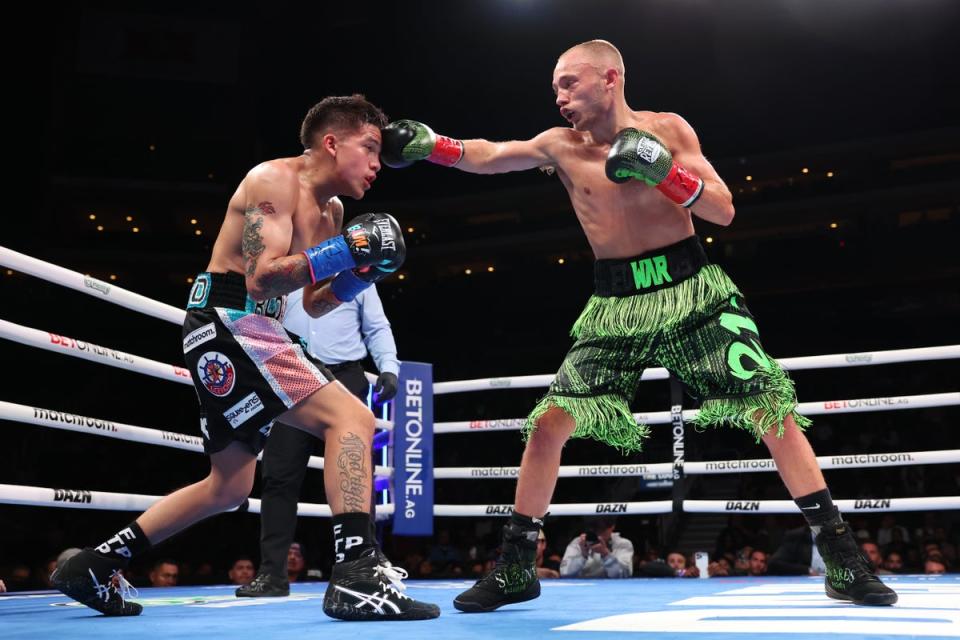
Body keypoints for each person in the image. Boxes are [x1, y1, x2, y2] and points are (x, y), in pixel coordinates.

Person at [381, 39, 897, 610]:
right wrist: (432, 145)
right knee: (548, 423)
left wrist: (664, 173)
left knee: (770, 406)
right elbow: (491, 154)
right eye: (555, 86)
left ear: (609, 79)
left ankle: (844, 561)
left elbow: (722, 209)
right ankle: (514, 569)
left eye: (569, 83)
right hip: (614, 304)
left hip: (692, 291)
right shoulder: (559, 146)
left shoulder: (668, 130)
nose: (559, 96)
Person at [52, 95, 439, 621]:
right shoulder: (273, 180)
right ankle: (356, 575)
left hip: (248, 326)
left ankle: (95, 565)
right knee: (353, 416)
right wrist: (347, 251)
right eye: (369, 147)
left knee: (229, 486)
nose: (378, 163)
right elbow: (261, 276)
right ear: (331, 142)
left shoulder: (333, 211)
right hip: (230, 318)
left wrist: (360, 273)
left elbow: (314, 301)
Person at [237, 274, 400, 597]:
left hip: (345, 374)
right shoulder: (281, 271)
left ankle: (364, 566)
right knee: (279, 474)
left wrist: (388, 367)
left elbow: (377, 325)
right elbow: (255, 320)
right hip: (291, 374)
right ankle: (272, 574)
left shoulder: (357, 274)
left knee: (354, 474)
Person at [559, 516, 632, 578]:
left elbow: (623, 575)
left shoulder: (622, 543)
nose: (599, 533)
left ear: (612, 527)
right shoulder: (579, 542)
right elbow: (565, 573)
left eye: (603, 528)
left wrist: (606, 554)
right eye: (596, 528)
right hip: (583, 589)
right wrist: (583, 555)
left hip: (611, 589)